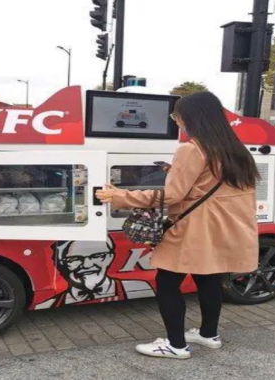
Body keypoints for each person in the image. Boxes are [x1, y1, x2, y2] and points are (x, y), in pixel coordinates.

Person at [96, 91, 259, 360]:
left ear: (190, 117)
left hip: (193, 230)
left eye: (177, 115)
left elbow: (172, 196)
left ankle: (176, 346)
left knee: (167, 283)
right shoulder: (235, 149)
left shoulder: (192, 148)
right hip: (223, 229)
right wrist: (175, 172)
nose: (176, 120)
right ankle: (209, 334)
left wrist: (120, 196)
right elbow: (214, 188)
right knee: (209, 280)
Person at [34, 235, 155, 309]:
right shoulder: (49, 303)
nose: (87, 265)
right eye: (75, 259)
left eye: (97, 256)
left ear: (110, 258)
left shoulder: (139, 286)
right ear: (61, 263)